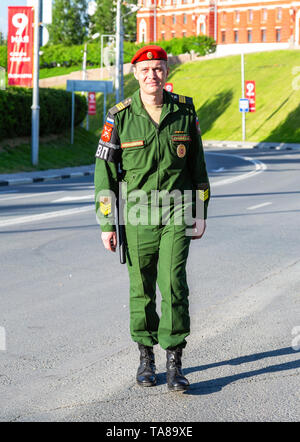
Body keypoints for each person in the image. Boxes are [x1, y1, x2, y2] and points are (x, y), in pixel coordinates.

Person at [94, 45, 210, 391]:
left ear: (167, 73)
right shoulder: (119, 117)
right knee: (141, 288)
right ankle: (146, 356)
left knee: (173, 283)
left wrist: (200, 213)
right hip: (137, 213)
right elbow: (104, 173)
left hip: (176, 209)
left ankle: (174, 360)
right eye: (145, 71)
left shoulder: (185, 113)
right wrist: (106, 223)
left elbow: (198, 167)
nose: (152, 76)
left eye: (158, 69)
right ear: (135, 75)